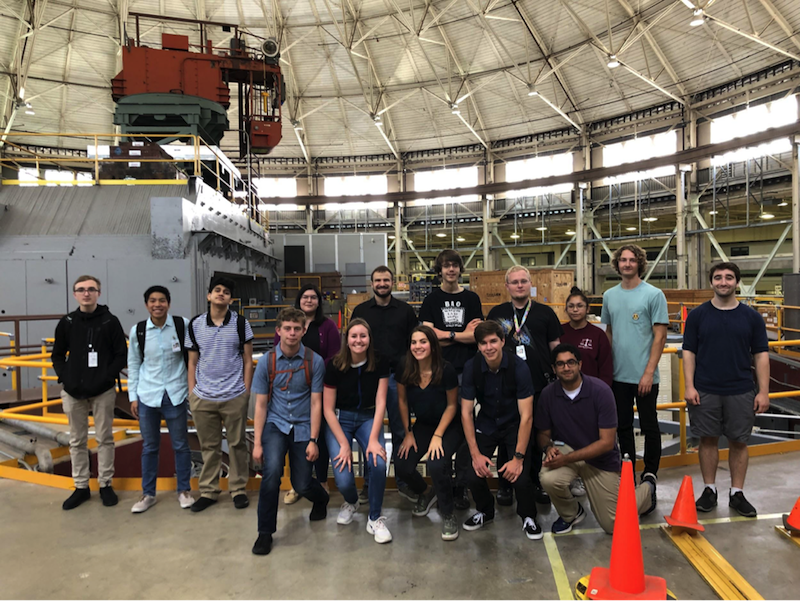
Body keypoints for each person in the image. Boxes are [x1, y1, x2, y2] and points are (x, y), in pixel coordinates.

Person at [537, 344, 656, 534]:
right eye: (560, 364)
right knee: (548, 478)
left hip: (600, 458)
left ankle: (647, 488)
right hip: (567, 448)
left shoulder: (601, 392)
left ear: (580, 364)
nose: (566, 368)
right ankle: (571, 514)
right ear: (554, 369)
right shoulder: (548, 394)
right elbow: (543, 433)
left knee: (613, 526)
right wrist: (548, 448)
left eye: (571, 362)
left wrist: (566, 459)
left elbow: (607, 443)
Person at [683, 262, 770, 518]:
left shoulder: (751, 317)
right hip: (705, 389)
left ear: (737, 282)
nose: (723, 282)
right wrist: (689, 385)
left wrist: (763, 391)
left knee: (739, 441)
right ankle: (709, 490)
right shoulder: (698, 315)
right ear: (711, 282)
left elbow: (761, 355)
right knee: (707, 440)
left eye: (729, 278)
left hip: (741, 389)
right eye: (718, 277)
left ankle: (737, 493)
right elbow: (689, 352)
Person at [251, 308, 329, 555]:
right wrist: (257, 443)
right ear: (278, 331)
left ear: (304, 330)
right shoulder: (267, 362)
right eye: (287, 328)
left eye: (297, 328)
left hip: (304, 425)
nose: (292, 333)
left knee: (302, 483)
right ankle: (265, 533)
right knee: (271, 473)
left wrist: (314, 440)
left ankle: (321, 498)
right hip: (276, 424)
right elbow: (261, 404)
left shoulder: (314, 361)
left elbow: (317, 402)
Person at [457, 321, 542, 540]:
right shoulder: (471, 367)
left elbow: (527, 416)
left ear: (503, 341)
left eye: (493, 341)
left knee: (521, 477)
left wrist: (518, 458)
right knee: (470, 471)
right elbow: (466, 412)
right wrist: (475, 455)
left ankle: (528, 515)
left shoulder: (519, 367)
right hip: (486, 423)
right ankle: (485, 511)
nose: (489, 347)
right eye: (483, 343)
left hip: (515, 423)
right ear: (478, 346)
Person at [487, 265, 561, 508]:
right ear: (507, 286)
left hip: (538, 383)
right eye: (514, 282)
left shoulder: (545, 313)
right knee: (505, 434)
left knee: (536, 434)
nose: (519, 285)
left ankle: (534, 481)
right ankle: (506, 485)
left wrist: (559, 375)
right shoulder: (497, 312)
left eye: (523, 281)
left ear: (531, 285)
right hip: (504, 383)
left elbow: (555, 346)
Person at [52, 275, 127, 510]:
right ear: (75, 294)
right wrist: (66, 378)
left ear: (98, 293)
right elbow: (57, 355)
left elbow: (120, 355)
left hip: (103, 390)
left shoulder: (110, 322)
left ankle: (105, 484)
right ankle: (81, 486)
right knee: (77, 440)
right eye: (81, 290)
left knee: (105, 438)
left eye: (91, 289)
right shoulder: (67, 322)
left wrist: (106, 377)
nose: (86, 293)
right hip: (73, 391)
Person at [419, 249, 483, 510]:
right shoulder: (432, 299)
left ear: (460, 269)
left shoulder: (471, 298)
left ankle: (462, 485)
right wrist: (459, 333)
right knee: (447, 422)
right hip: (441, 371)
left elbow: (476, 335)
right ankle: (444, 480)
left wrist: (446, 335)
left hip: (467, 369)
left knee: (466, 425)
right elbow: (427, 334)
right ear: (440, 270)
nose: (451, 270)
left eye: (455, 265)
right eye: (446, 266)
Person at [185, 276, 254, 512]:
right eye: (217, 290)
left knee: (236, 444)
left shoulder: (240, 324)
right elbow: (192, 362)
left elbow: (247, 360)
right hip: (203, 396)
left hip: (234, 395)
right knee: (209, 446)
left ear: (231, 299)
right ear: (209, 296)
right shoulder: (195, 324)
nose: (221, 294)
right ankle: (209, 491)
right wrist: (193, 391)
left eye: (226, 291)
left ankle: (238, 489)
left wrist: (245, 391)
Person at [601, 244, 668, 485]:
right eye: (623, 260)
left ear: (639, 263)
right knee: (622, 426)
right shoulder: (609, 296)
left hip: (645, 377)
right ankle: (627, 467)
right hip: (618, 377)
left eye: (632, 260)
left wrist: (648, 373)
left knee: (650, 425)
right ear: (617, 264)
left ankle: (650, 472)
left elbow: (660, 336)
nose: (627, 264)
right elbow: (609, 333)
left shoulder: (653, 294)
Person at [351, 266, 419, 503]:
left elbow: (416, 343)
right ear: (372, 284)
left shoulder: (405, 311)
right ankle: (370, 484)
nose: (382, 283)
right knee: (371, 432)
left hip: (397, 379)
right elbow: (352, 342)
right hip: (368, 379)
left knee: (401, 430)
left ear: (392, 282)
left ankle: (403, 482)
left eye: (386, 280)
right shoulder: (360, 311)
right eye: (378, 280)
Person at [323, 318, 392, 543]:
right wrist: (344, 444)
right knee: (342, 477)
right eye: (354, 336)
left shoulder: (379, 362)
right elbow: (327, 408)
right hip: (340, 419)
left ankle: (374, 518)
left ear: (369, 339)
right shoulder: (333, 365)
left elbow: (381, 401)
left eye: (363, 336)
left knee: (378, 463)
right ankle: (352, 501)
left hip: (368, 418)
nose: (358, 340)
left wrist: (374, 438)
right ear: (347, 339)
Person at [127, 286, 194, 513]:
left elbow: (192, 357)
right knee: (150, 447)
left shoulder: (181, 325)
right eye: (153, 301)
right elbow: (134, 364)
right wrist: (133, 396)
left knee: (181, 445)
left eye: (162, 300)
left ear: (169, 303)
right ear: (146, 304)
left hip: (175, 393)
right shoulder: (138, 331)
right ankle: (148, 494)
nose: (158, 304)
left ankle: (184, 490)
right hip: (148, 395)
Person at [395, 325, 463, 541]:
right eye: (414, 342)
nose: (418, 346)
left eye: (423, 341)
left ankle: (448, 512)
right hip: (423, 425)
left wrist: (438, 436)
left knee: (436, 463)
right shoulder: (405, 368)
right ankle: (426, 492)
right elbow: (402, 401)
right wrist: (408, 432)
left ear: (432, 345)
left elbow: (452, 406)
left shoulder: (447, 369)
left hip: (449, 425)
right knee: (403, 463)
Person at [277, 284, 340, 506]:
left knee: (318, 437)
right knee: (294, 438)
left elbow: (334, 356)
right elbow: (279, 353)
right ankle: (297, 483)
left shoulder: (328, 326)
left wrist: (311, 369)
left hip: (319, 389)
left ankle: (322, 481)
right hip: (293, 390)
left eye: (314, 297)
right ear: (299, 300)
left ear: (319, 302)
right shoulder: (291, 325)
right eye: (305, 297)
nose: (309, 300)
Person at [560, 287, 612, 387]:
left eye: (580, 306)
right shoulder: (559, 332)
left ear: (587, 309)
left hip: (592, 389)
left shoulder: (598, 335)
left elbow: (606, 368)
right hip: (563, 389)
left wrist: (603, 391)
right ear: (566, 309)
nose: (575, 310)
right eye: (571, 306)